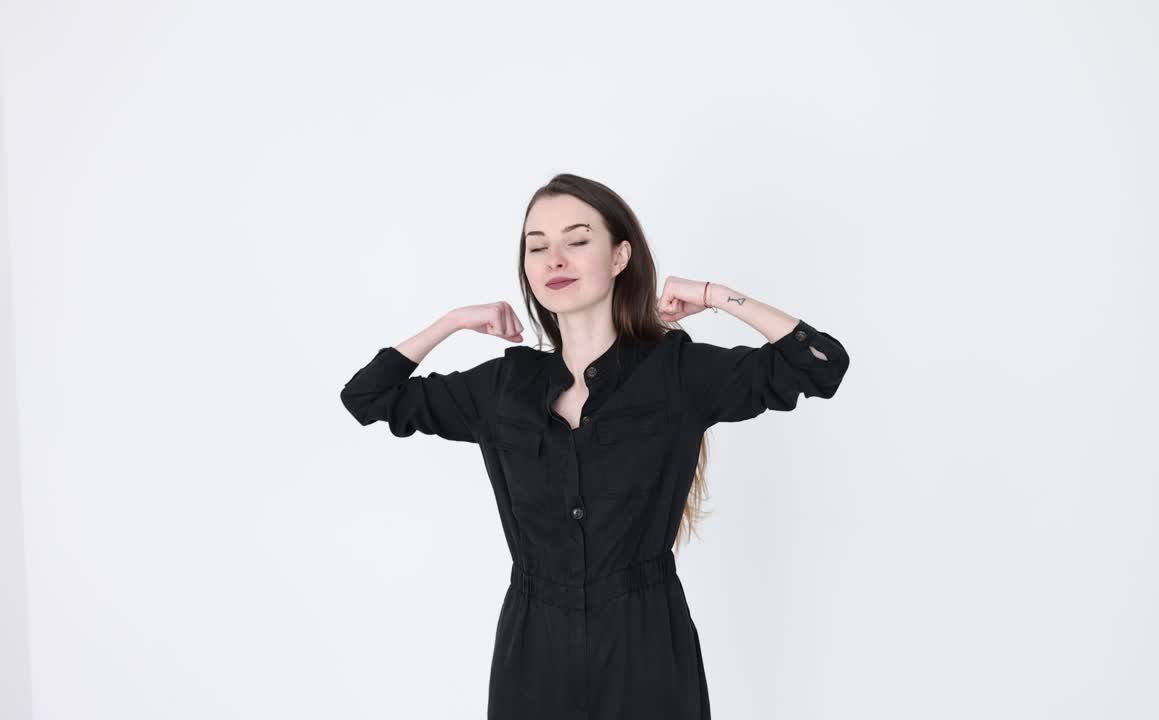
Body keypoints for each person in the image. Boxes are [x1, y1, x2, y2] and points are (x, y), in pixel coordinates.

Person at [339, 173, 851, 719]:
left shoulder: (676, 373)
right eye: (537, 247)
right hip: (531, 660)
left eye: (578, 241)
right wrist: (455, 321)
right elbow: (369, 396)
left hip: (647, 653)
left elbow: (820, 364)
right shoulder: (500, 389)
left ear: (619, 256)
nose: (554, 259)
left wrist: (713, 296)